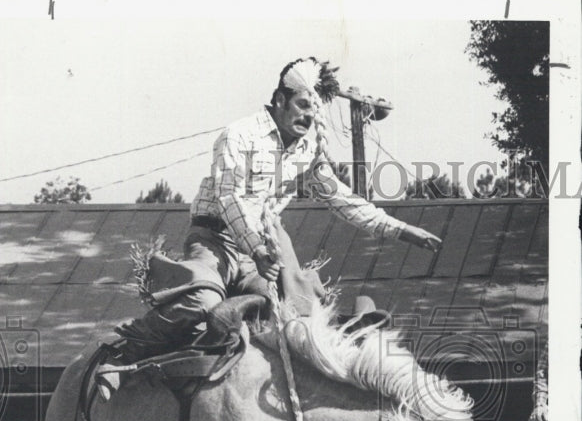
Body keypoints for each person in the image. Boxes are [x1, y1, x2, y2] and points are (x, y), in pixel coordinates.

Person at [131, 57, 442, 345]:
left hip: (262, 255)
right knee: (203, 300)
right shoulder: (240, 135)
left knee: (298, 310)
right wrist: (256, 247)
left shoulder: (307, 154)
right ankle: (129, 346)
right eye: (303, 105)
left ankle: (343, 333)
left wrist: (402, 230)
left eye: (314, 110)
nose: (308, 116)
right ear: (280, 100)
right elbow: (230, 197)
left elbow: (344, 200)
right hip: (215, 242)